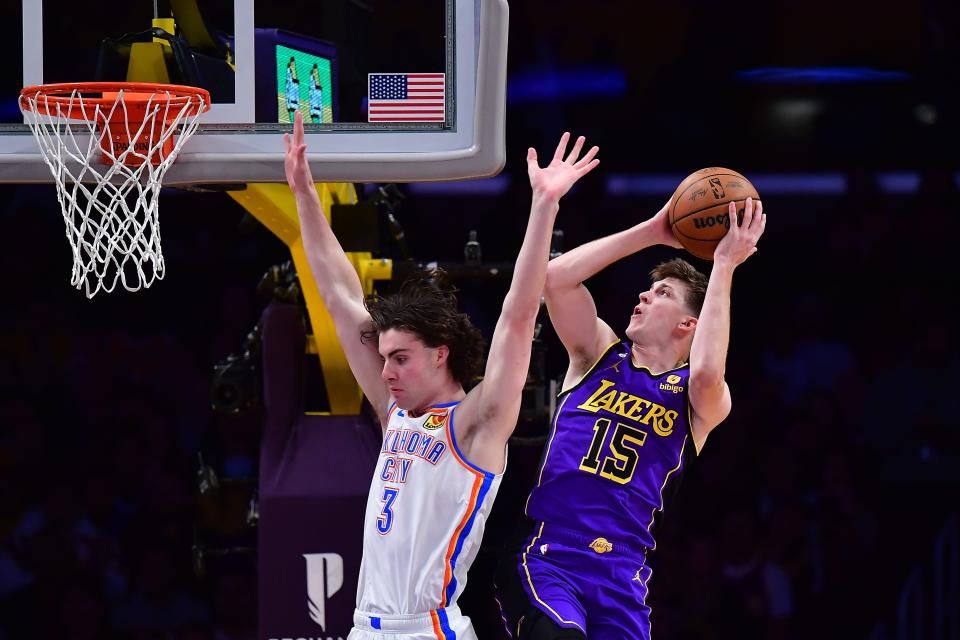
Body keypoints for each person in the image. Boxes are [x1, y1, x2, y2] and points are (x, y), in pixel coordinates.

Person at [284, 111, 600, 640]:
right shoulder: (396, 412)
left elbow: (517, 319)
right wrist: (303, 193)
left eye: (400, 358)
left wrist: (544, 204)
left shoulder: (476, 424)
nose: (385, 372)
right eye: (383, 358)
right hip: (364, 627)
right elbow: (339, 297)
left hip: (428, 630)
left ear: (440, 354)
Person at [497, 196, 766, 639]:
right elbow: (557, 279)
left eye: (663, 294)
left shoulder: (700, 399)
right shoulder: (597, 354)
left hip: (623, 573)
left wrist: (724, 265)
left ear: (688, 325)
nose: (644, 294)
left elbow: (705, 370)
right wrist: (653, 231)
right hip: (551, 554)